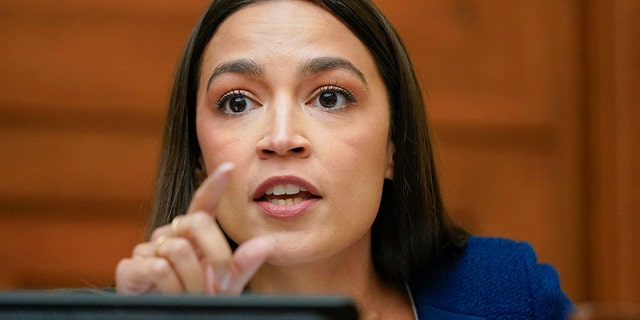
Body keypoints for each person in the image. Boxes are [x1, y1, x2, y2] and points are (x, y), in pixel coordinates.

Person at [115, 0, 574, 318]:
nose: (280, 138)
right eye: (238, 103)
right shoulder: (148, 312)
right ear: (198, 158)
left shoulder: (511, 295)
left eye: (330, 97)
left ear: (394, 146)